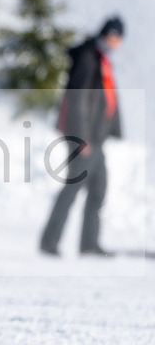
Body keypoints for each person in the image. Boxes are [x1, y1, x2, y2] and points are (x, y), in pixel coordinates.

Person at [40, 16, 124, 257]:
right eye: (113, 36)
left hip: (95, 138)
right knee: (73, 188)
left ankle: (89, 244)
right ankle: (49, 241)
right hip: (84, 138)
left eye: (118, 38)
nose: (116, 41)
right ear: (105, 34)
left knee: (98, 188)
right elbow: (77, 98)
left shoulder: (100, 58)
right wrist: (82, 136)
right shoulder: (88, 58)